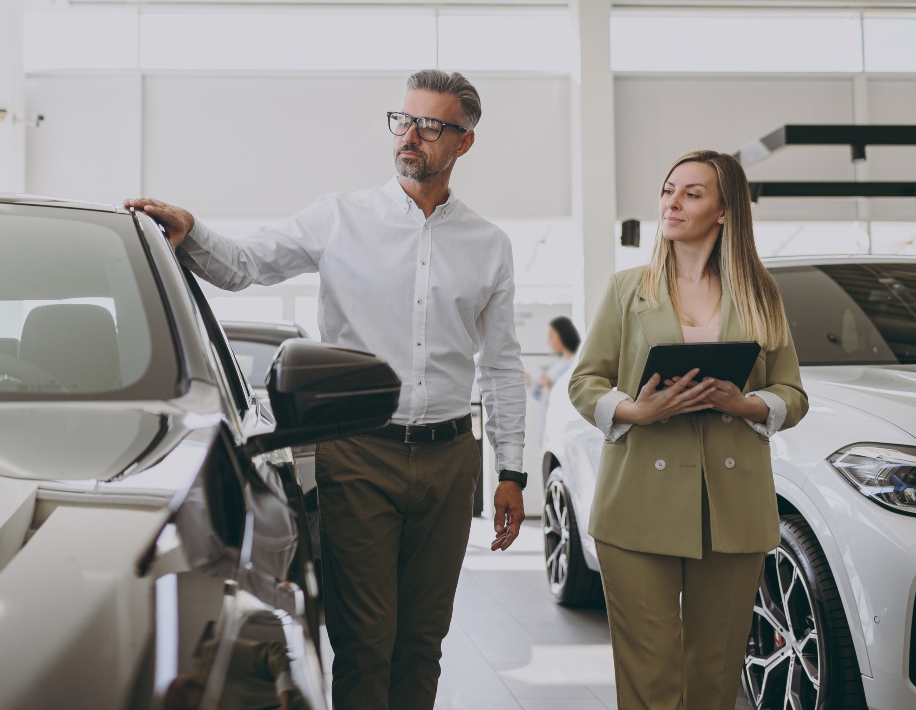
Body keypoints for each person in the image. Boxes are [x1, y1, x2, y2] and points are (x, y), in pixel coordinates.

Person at [125, 69, 527, 710]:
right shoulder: (339, 218)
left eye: (431, 125)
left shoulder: (490, 245)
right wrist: (191, 228)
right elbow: (247, 263)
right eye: (403, 120)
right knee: (366, 639)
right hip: (359, 452)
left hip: (452, 457)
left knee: (424, 639)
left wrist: (511, 470)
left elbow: (502, 365)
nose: (410, 136)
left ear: (464, 143)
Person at [568, 150, 808, 710]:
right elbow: (586, 383)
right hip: (637, 505)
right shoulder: (628, 289)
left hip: (733, 506)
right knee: (649, 678)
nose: (671, 203)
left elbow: (793, 395)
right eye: (668, 190)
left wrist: (745, 403)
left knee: (715, 676)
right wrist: (636, 412)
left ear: (726, 211)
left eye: (691, 193)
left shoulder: (761, 293)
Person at [527, 316, 580, 404]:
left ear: (563, 335)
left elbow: (571, 396)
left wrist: (550, 387)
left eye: (551, 337)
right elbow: (541, 397)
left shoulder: (575, 363)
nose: (548, 342)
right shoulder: (557, 363)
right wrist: (530, 387)